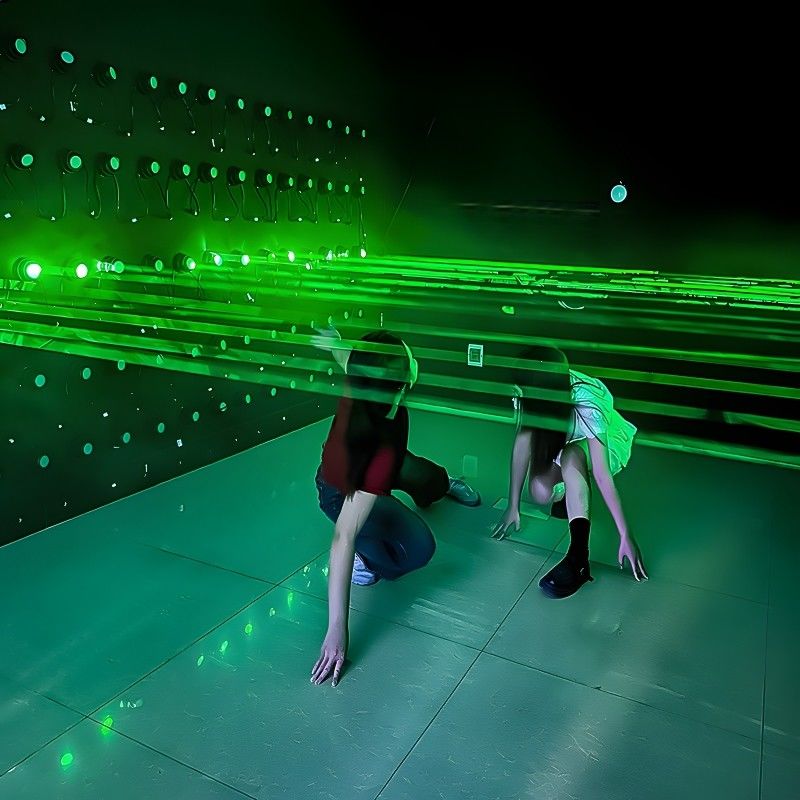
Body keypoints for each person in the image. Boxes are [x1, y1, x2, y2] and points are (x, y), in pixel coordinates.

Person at [310, 327, 480, 686]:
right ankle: (366, 559)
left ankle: (441, 484)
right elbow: (343, 536)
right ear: (401, 387)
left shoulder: (364, 377)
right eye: (407, 360)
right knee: (418, 548)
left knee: (429, 478)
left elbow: (346, 355)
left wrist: (333, 341)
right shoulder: (378, 449)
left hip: (386, 460)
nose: (413, 362)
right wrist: (337, 628)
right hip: (342, 491)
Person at [491, 345, 647, 598]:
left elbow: (602, 474)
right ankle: (572, 493)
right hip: (565, 437)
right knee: (540, 492)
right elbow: (522, 443)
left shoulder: (587, 398)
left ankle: (578, 559)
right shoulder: (535, 392)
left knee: (573, 456)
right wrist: (513, 505)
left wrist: (625, 534)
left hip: (604, 441)